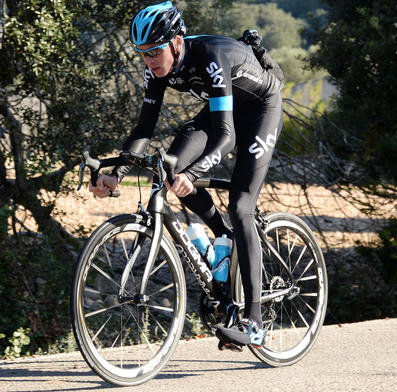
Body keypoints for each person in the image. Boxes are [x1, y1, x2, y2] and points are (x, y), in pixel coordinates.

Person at [89, 1, 284, 348]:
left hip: (259, 109)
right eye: (142, 53)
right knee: (170, 167)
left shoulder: (209, 55)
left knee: (241, 206)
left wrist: (193, 175)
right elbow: (144, 127)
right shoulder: (158, 69)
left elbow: (227, 137)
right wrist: (117, 172)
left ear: (176, 42)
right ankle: (225, 241)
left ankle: (255, 322)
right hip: (221, 109)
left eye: (154, 52)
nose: (149, 61)